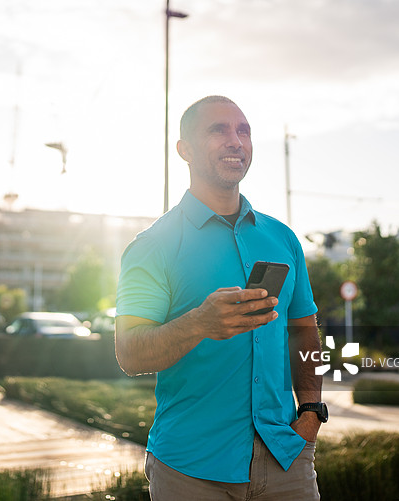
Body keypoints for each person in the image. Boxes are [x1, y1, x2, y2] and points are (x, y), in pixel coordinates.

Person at [115, 95, 326, 500]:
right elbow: (130, 353)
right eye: (219, 130)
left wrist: (312, 410)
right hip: (191, 470)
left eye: (243, 130)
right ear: (185, 150)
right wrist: (199, 323)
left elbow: (305, 332)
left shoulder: (282, 238)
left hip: (287, 460)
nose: (236, 140)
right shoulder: (152, 247)